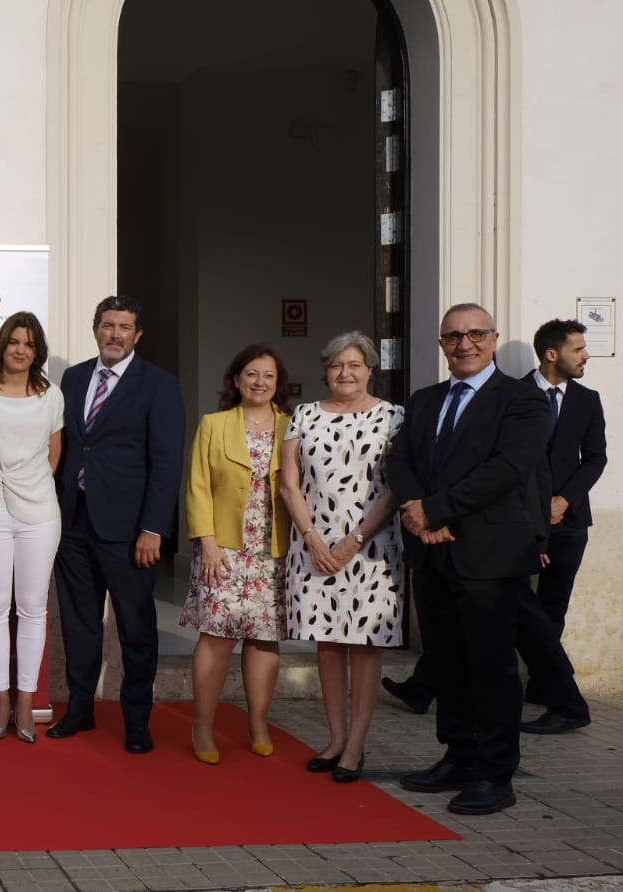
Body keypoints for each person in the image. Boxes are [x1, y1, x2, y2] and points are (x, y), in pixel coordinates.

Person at [389, 303, 548, 816]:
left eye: (475, 333)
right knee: (446, 662)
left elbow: (506, 469)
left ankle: (495, 773)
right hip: (432, 554)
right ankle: (457, 758)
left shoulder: (522, 400)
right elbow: (401, 460)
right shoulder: (424, 399)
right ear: (442, 345)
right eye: (454, 336)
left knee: (492, 667)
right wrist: (417, 514)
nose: (465, 344)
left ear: (494, 338)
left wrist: (435, 509)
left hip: (489, 555)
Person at [51, 295, 185, 754]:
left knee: (135, 626)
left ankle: (136, 719)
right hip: (73, 522)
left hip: (130, 530)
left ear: (137, 335)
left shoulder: (159, 385)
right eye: (108, 325)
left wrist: (154, 528)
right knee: (79, 623)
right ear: (96, 330)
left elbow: (167, 463)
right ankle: (80, 709)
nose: (115, 334)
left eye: (124, 327)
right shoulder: (73, 378)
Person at [279, 332, 404, 783]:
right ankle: (334, 738)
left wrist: (354, 539)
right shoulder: (305, 414)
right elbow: (289, 483)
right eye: (336, 366)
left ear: (371, 369)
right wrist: (312, 537)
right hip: (313, 545)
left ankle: (356, 745)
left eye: (354, 365)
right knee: (327, 644)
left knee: (363, 646)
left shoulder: (394, 417)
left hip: (371, 549)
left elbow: (395, 487)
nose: (345, 373)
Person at [181, 344, 291, 765]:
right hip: (223, 548)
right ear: (236, 379)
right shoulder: (214, 424)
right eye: (251, 374)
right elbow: (197, 485)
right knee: (217, 638)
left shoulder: (293, 426)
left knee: (264, 639)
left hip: (273, 550)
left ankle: (259, 722)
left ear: (278, 383)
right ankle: (203, 725)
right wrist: (206, 541)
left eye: (268, 375)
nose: (259, 382)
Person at [0, 312, 63, 743]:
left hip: (40, 511)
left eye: (29, 343)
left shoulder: (51, 396)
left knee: (33, 608)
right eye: (14, 342)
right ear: (2, 346)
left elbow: (53, 456)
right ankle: (0, 700)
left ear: (36, 351)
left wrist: (32, 488)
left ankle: (26, 699)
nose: (21, 350)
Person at [516, 319, 604, 734]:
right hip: (518, 521)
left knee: (551, 609)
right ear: (552, 354)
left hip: (569, 521)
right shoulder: (513, 395)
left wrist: (565, 499)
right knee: (511, 603)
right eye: (578, 349)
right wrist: (536, 507)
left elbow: (596, 458)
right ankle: (556, 692)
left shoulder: (588, 400)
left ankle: (546, 690)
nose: (586, 355)